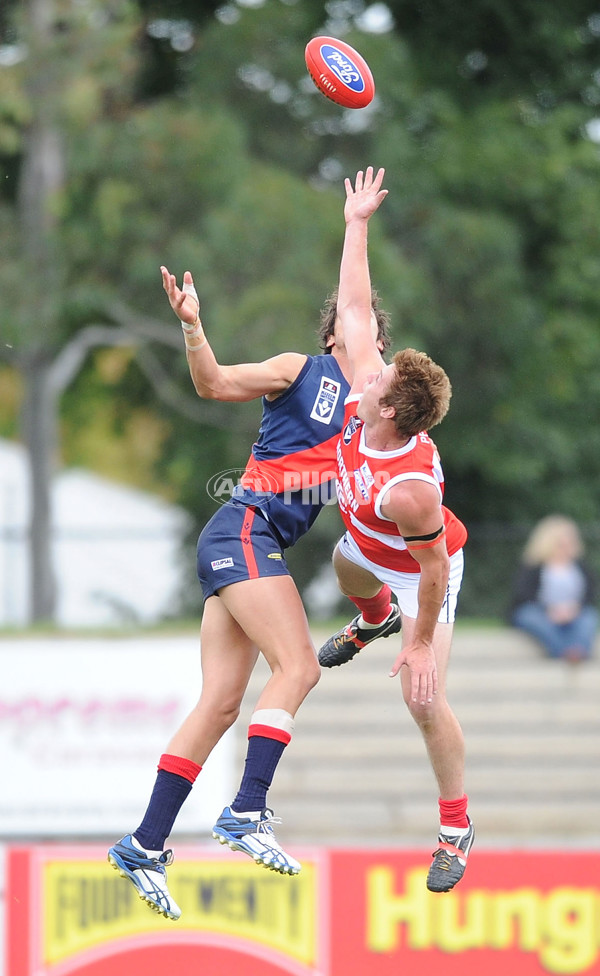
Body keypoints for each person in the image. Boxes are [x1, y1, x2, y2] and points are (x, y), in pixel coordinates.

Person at [107, 168, 391, 920]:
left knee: (222, 703)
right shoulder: (305, 370)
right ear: (339, 334)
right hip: (244, 529)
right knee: (298, 666)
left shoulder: (373, 426)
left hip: (244, 544)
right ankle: (245, 810)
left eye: (383, 346)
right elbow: (213, 384)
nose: (377, 347)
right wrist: (195, 326)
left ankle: (143, 843)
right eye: (366, 334)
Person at [316, 169, 473, 893]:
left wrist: (416, 643)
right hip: (371, 554)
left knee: (422, 698)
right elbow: (352, 307)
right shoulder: (370, 396)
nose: (365, 367)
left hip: (425, 572)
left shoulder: (408, 489)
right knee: (349, 569)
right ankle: (369, 617)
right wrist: (356, 222)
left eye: (375, 380)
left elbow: (434, 572)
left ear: (387, 413)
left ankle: (454, 828)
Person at [509, 515, 598, 663]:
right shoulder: (533, 566)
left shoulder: (580, 566)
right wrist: (549, 610)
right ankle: (565, 652)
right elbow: (523, 594)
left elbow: (590, 594)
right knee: (531, 617)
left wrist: (573, 609)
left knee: (589, 617)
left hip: (573, 612)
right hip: (540, 611)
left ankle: (577, 651)